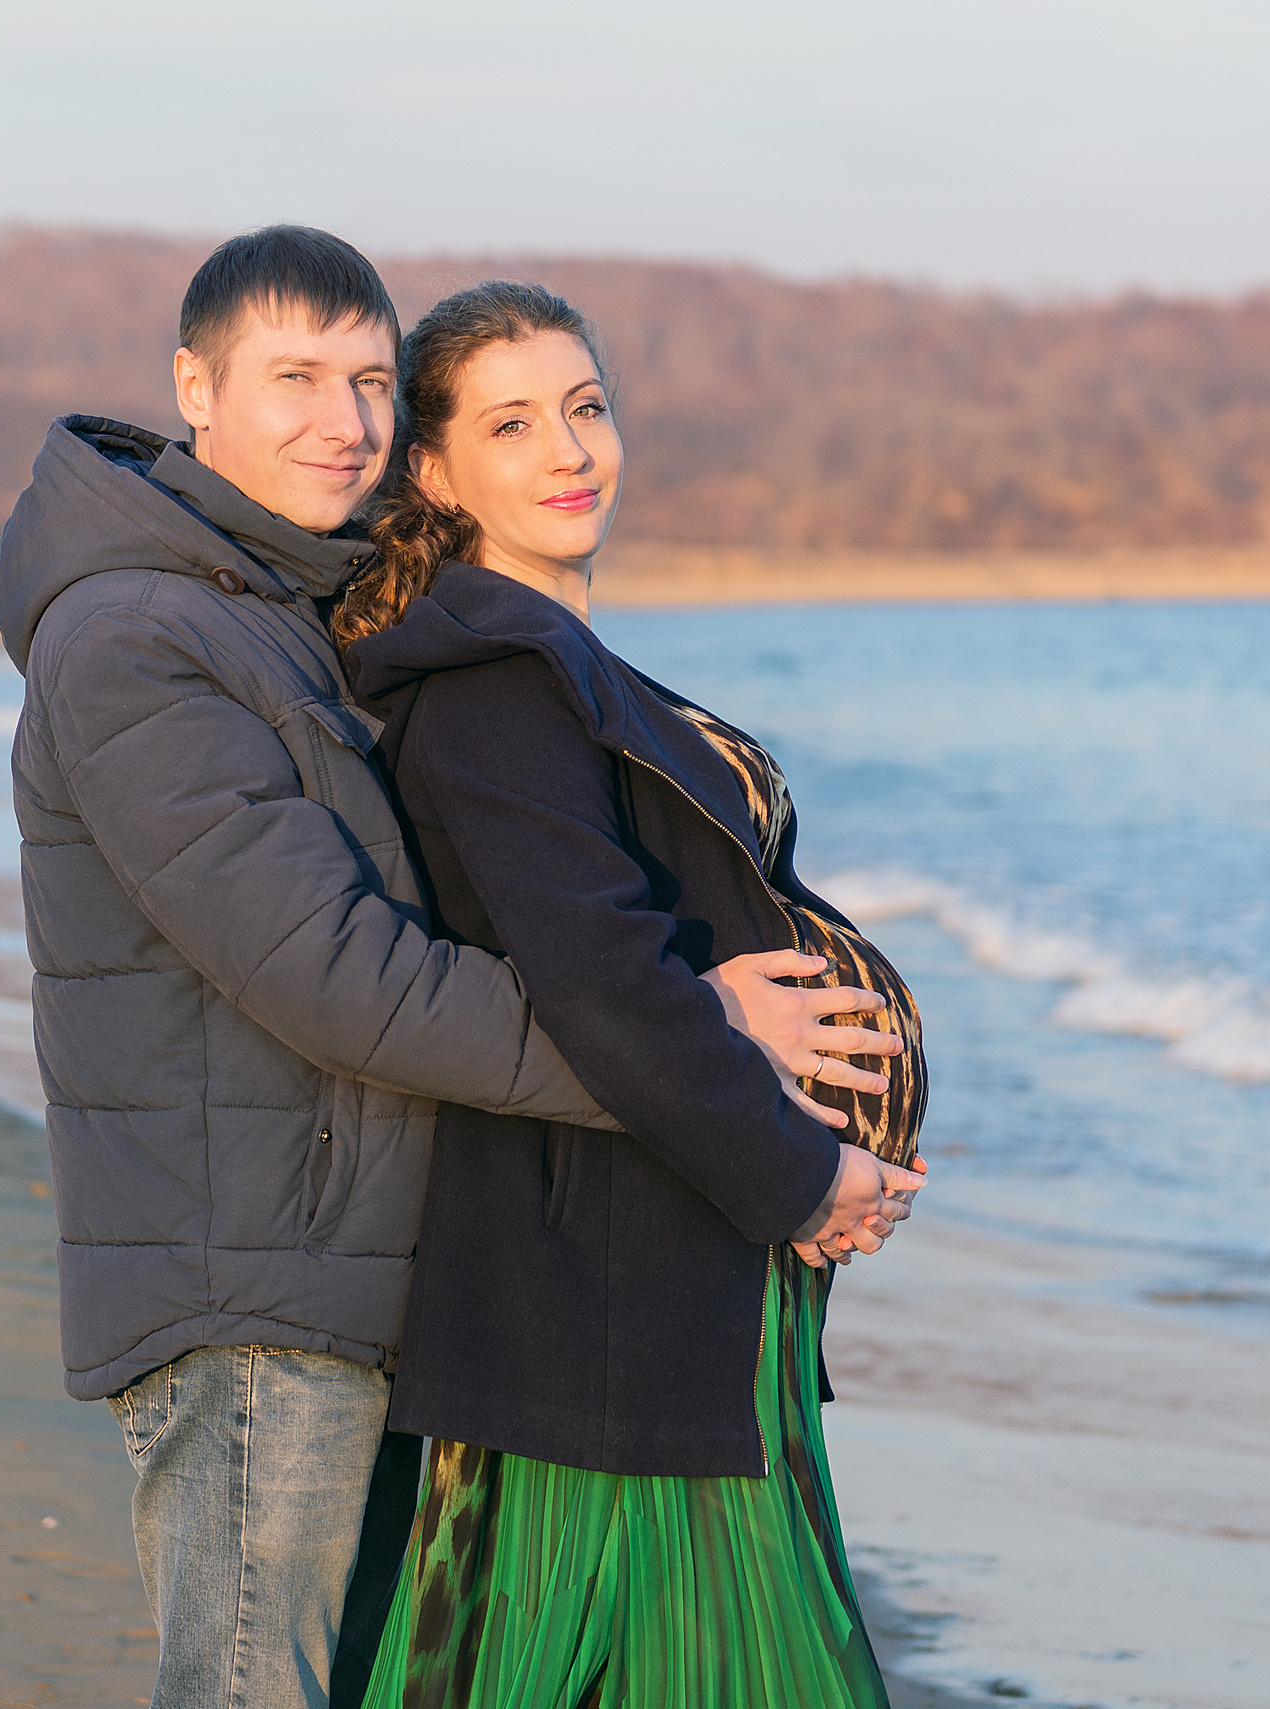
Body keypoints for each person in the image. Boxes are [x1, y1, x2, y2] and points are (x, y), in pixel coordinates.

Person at [0, 227, 908, 1709]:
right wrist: (694, 1049)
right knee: (246, 1685)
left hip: (338, 1255)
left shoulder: (272, 612)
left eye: (364, 378)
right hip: (251, 1283)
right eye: (294, 377)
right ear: (192, 387)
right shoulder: (137, 639)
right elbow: (339, 972)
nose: (338, 418)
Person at [337, 279, 931, 1708]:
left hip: (670, 1277)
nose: (570, 448)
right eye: (515, 421)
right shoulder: (490, 689)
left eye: (588, 407)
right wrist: (800, 1175)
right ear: (433, 470)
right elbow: (607, 985)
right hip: (607, 1298)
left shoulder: (555, 664)